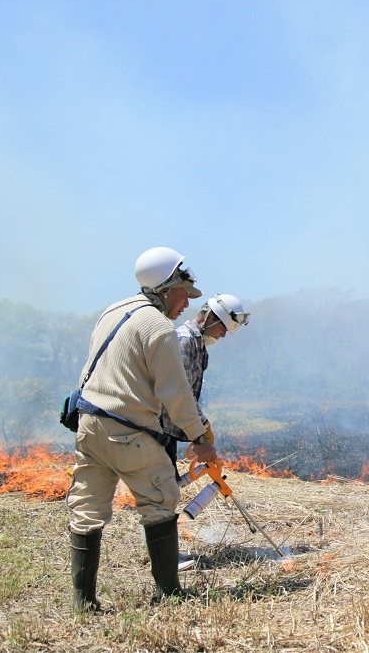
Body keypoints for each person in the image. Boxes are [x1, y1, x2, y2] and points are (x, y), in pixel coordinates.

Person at [66, 247, 220, 612]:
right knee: (161, 501)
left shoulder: (112, 311)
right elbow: (175, 393)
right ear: (166, 288)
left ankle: (82, 602)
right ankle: (167, 595)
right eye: (183, 293)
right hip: (128, 431)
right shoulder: (157, 326)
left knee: (86, 508)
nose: (186, 304)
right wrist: (199, 438)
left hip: (89, 425)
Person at [160, 293, 250, 471]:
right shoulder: (185, 341)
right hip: (158, 430)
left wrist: (202, 423)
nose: (223, 335)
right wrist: (199, 435)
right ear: (210, 317)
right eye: (223, 329)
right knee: (164, 492)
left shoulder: (197, 344)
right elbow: (180, 393)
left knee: (169, 489)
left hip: (166, 431)